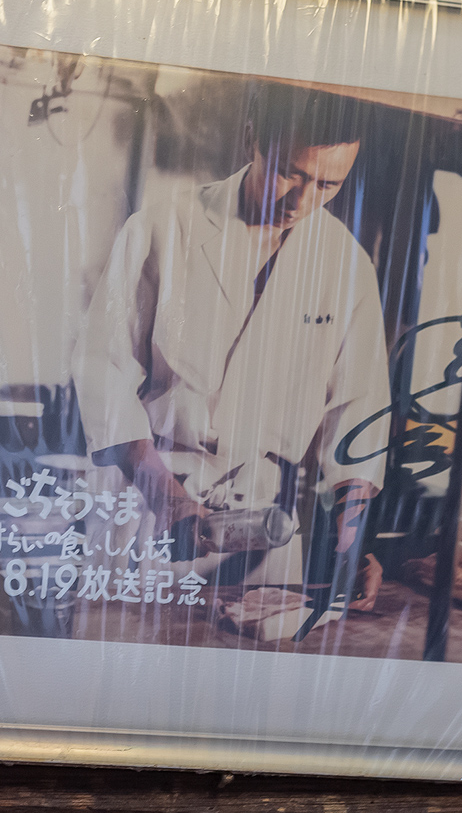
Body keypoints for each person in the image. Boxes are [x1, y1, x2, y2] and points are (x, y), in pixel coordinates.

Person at [73, 82, 393, 608]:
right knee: (131, 647)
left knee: (253, 652)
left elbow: (359, 410)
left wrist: (352, 536)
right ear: (251, 139)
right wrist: (168, 499)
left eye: (328, 185)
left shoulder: (347, 265)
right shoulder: (163, 228)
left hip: (264, 528)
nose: (302, 200)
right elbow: (103, 372)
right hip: (151, 504)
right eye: (290, 172)